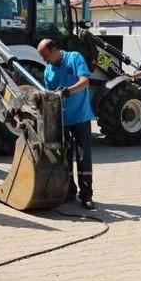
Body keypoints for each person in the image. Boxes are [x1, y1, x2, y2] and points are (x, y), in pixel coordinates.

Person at [37, 38, 95, 210]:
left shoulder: (74, 58)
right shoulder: (48, 71)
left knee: (83, 156)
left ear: (54, 49)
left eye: (46, 56)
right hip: (63, 120)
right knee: (65, 158)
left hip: (81, 117)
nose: (45, 61)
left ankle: (86, 195)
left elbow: (85, 82)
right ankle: (69, 191)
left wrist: (68, 91)